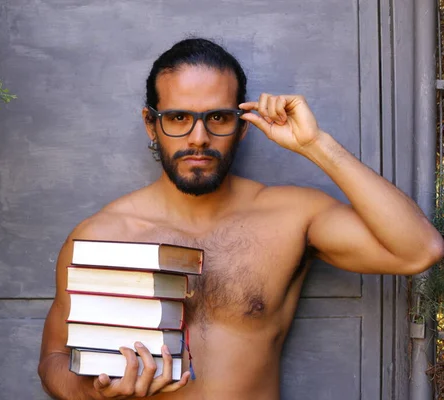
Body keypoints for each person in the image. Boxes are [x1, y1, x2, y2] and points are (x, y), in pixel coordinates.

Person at [37, 38, 444, 400]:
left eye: (218, 118)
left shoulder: (290, 216)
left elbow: (417, 250)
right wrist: (91, 392)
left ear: (242, 126)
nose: (198, 137)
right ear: (151, 124)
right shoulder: (101, 236)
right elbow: (53, 360)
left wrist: (315, 145)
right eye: (178, 118)